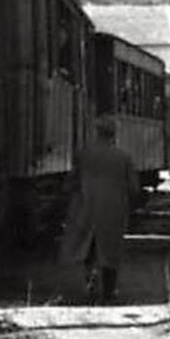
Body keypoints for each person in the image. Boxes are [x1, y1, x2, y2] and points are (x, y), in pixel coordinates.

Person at [61, 117, 140, 303]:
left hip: (86, 209)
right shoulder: (124, 157)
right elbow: (134, 187)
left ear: (96, 133)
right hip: (113, 212)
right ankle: (109, 291)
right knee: (110, 251)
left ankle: (90, 281)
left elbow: (70, 183)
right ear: (114, 135)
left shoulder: (83, 155)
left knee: (88, 247)